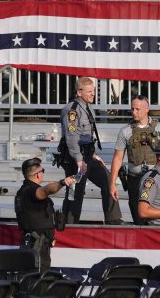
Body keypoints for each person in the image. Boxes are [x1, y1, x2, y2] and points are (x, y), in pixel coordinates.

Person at [59, 77, 124, 224]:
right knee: (76, 191)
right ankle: (69, 223)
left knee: (108, 180)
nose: (93, 94)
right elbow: (71, 137)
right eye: (89, 91)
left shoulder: (88, 107)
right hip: (75, 158)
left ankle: (113, 219)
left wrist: (93, 155)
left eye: (93, 91)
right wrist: (79, 160)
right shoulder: (72, 110)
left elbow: (87, 136)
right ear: (79, 92)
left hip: (88, 155)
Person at [109, 94, 160, 225]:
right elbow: (118, 158)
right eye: (132, 109)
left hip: (157, 180)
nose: (134, 112)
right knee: (138, 217)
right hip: (135, 179)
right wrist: (112, 183)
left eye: (137, 109)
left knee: (157, 218)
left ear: (147, 109)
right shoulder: (125, 131)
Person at [14, 157, 75, 272]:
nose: (43, 174)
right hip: (37, 247)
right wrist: (62, 182)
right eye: (42, 171)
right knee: (38, 281)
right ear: (37, 174)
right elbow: (46, 190)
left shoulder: (23, 191)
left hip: (36, 245)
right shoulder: (30, 191)